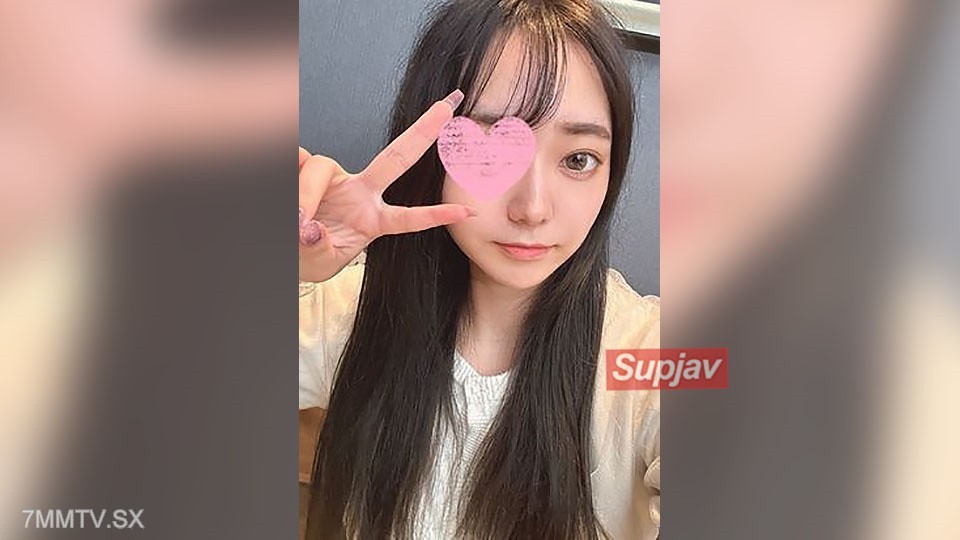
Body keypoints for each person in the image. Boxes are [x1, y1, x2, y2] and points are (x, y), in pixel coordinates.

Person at [298, 1, 659, 538]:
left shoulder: (646, 350)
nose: (532, 209)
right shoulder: (350, 308)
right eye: (490, 155)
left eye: (578, 159)